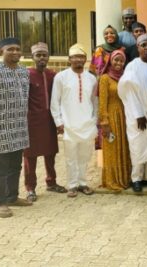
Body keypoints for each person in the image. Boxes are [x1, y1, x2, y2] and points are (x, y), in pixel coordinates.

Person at [0, 37, 31, 218]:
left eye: (18, 49)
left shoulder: (23, 72)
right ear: (1, 51)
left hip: (19, 127)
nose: (15, 52)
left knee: (16, 166)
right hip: (0, 129)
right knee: (0, 167)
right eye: (10, 49)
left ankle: (12, 197)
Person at [51, 43, 97, 198]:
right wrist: (59, 122)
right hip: (68, 124)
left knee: (85, 156)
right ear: (69, 59)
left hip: (87, 124)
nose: (78, 60)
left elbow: (94, 102)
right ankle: (72, 185)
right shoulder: (61, 77)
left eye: (81, 57)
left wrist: (95, 119)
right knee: (71, 157)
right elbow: (54, 102)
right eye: (75, 57)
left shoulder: (91, 78)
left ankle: (83, 183)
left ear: (85, 59)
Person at [23, 42, 65, 202]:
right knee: (29, 157)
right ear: (32, 57)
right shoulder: (26, 75)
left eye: (44, 55)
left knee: (50, 154)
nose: (41, 58)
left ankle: (51, 182)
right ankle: (30, 188)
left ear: (48, 57)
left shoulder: (53, 75)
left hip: (49, 121)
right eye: (38, 55)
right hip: (31, 122)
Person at [118, 34, 147, 193]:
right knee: (137, 146)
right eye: (144, 45)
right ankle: (136, 178)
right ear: (138, 47)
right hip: (137, 116)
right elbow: (128, 91)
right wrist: (138, 114)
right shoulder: (132, 66)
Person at [99, 49, 131, 191]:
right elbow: (102, 102)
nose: (118, 63)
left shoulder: (126, 76)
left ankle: (124, 178)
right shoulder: (105, 78)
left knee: (124, 147)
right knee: (112, 148)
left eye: (121, 60)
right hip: (111, 116)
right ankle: (112, 180)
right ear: (110, 61)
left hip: (125, 116)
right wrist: (104, 122)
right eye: (116, 60)